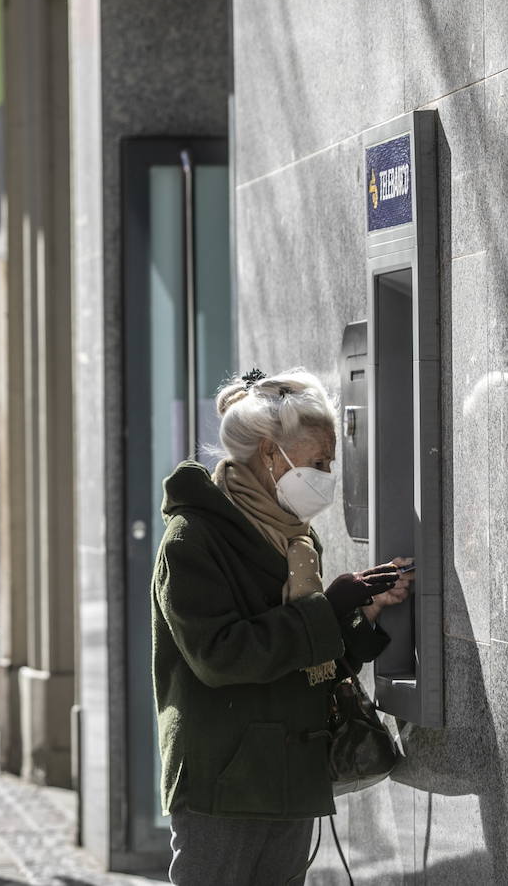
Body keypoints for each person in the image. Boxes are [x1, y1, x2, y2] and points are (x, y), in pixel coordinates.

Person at [154, 368, 414, 885]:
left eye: (330, 461)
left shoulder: (296, 540)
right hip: (223, 783)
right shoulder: (193, 538)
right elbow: (220, 656)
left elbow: (310, 663)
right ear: (272, 454)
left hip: (292, 776)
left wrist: (360, 615)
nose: (326, 474)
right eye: (318, 460)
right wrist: (327, 606)